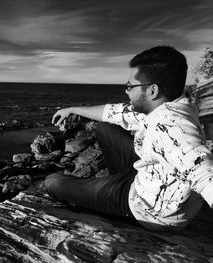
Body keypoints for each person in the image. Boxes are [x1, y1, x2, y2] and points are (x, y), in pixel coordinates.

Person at [45, 46, 213, 230]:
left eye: (130, 86)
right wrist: (72, 109)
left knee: (53, 182)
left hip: (149, 208)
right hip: (152, 178)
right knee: (106, 128)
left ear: (152, 91)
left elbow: (204, 173)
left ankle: (112, 205)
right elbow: (117, 113)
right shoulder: (172, 104)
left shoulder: (171, 126)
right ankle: (111, 188)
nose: (126, 91)